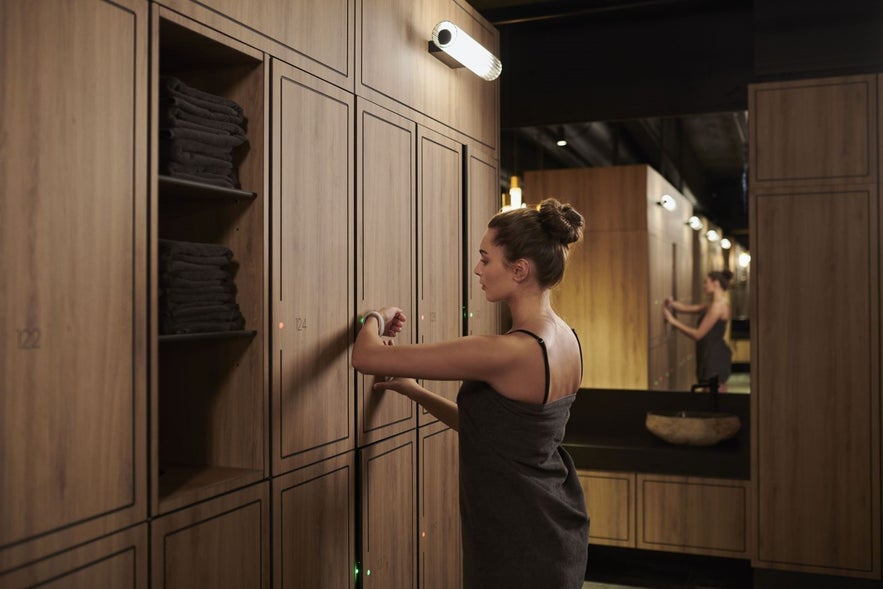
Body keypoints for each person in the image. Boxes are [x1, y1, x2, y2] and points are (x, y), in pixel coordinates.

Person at [351, 198, 590, 589]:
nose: (477, 269)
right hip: (554, 522)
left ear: (519, 270)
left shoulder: (507, 351)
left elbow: (365, 356)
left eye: (485, 258)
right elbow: (497, 433)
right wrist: (415, 392)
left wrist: (376, 317)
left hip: (518, 535)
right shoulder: (567, 339)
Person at [663, 269, 734, 391]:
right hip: (710, 354)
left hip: (714, 357)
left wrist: (673, 322)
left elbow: (698, 334)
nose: (704, 286)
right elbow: (686, 308)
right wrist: (671, 303)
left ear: (715, 283)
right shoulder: (714, 304)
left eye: (706, 282)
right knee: (710, 398)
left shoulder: (717, 307)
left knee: (712, 398)